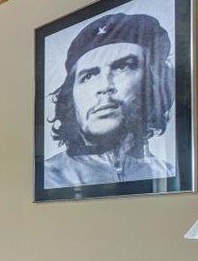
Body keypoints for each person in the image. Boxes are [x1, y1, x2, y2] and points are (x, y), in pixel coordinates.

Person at [43, 11, 176, 187]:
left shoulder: (168, 174)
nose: (105, 86)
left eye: (123, 67)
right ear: (69, 98)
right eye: (89, 76)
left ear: (152, 82)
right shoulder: (49, 178)